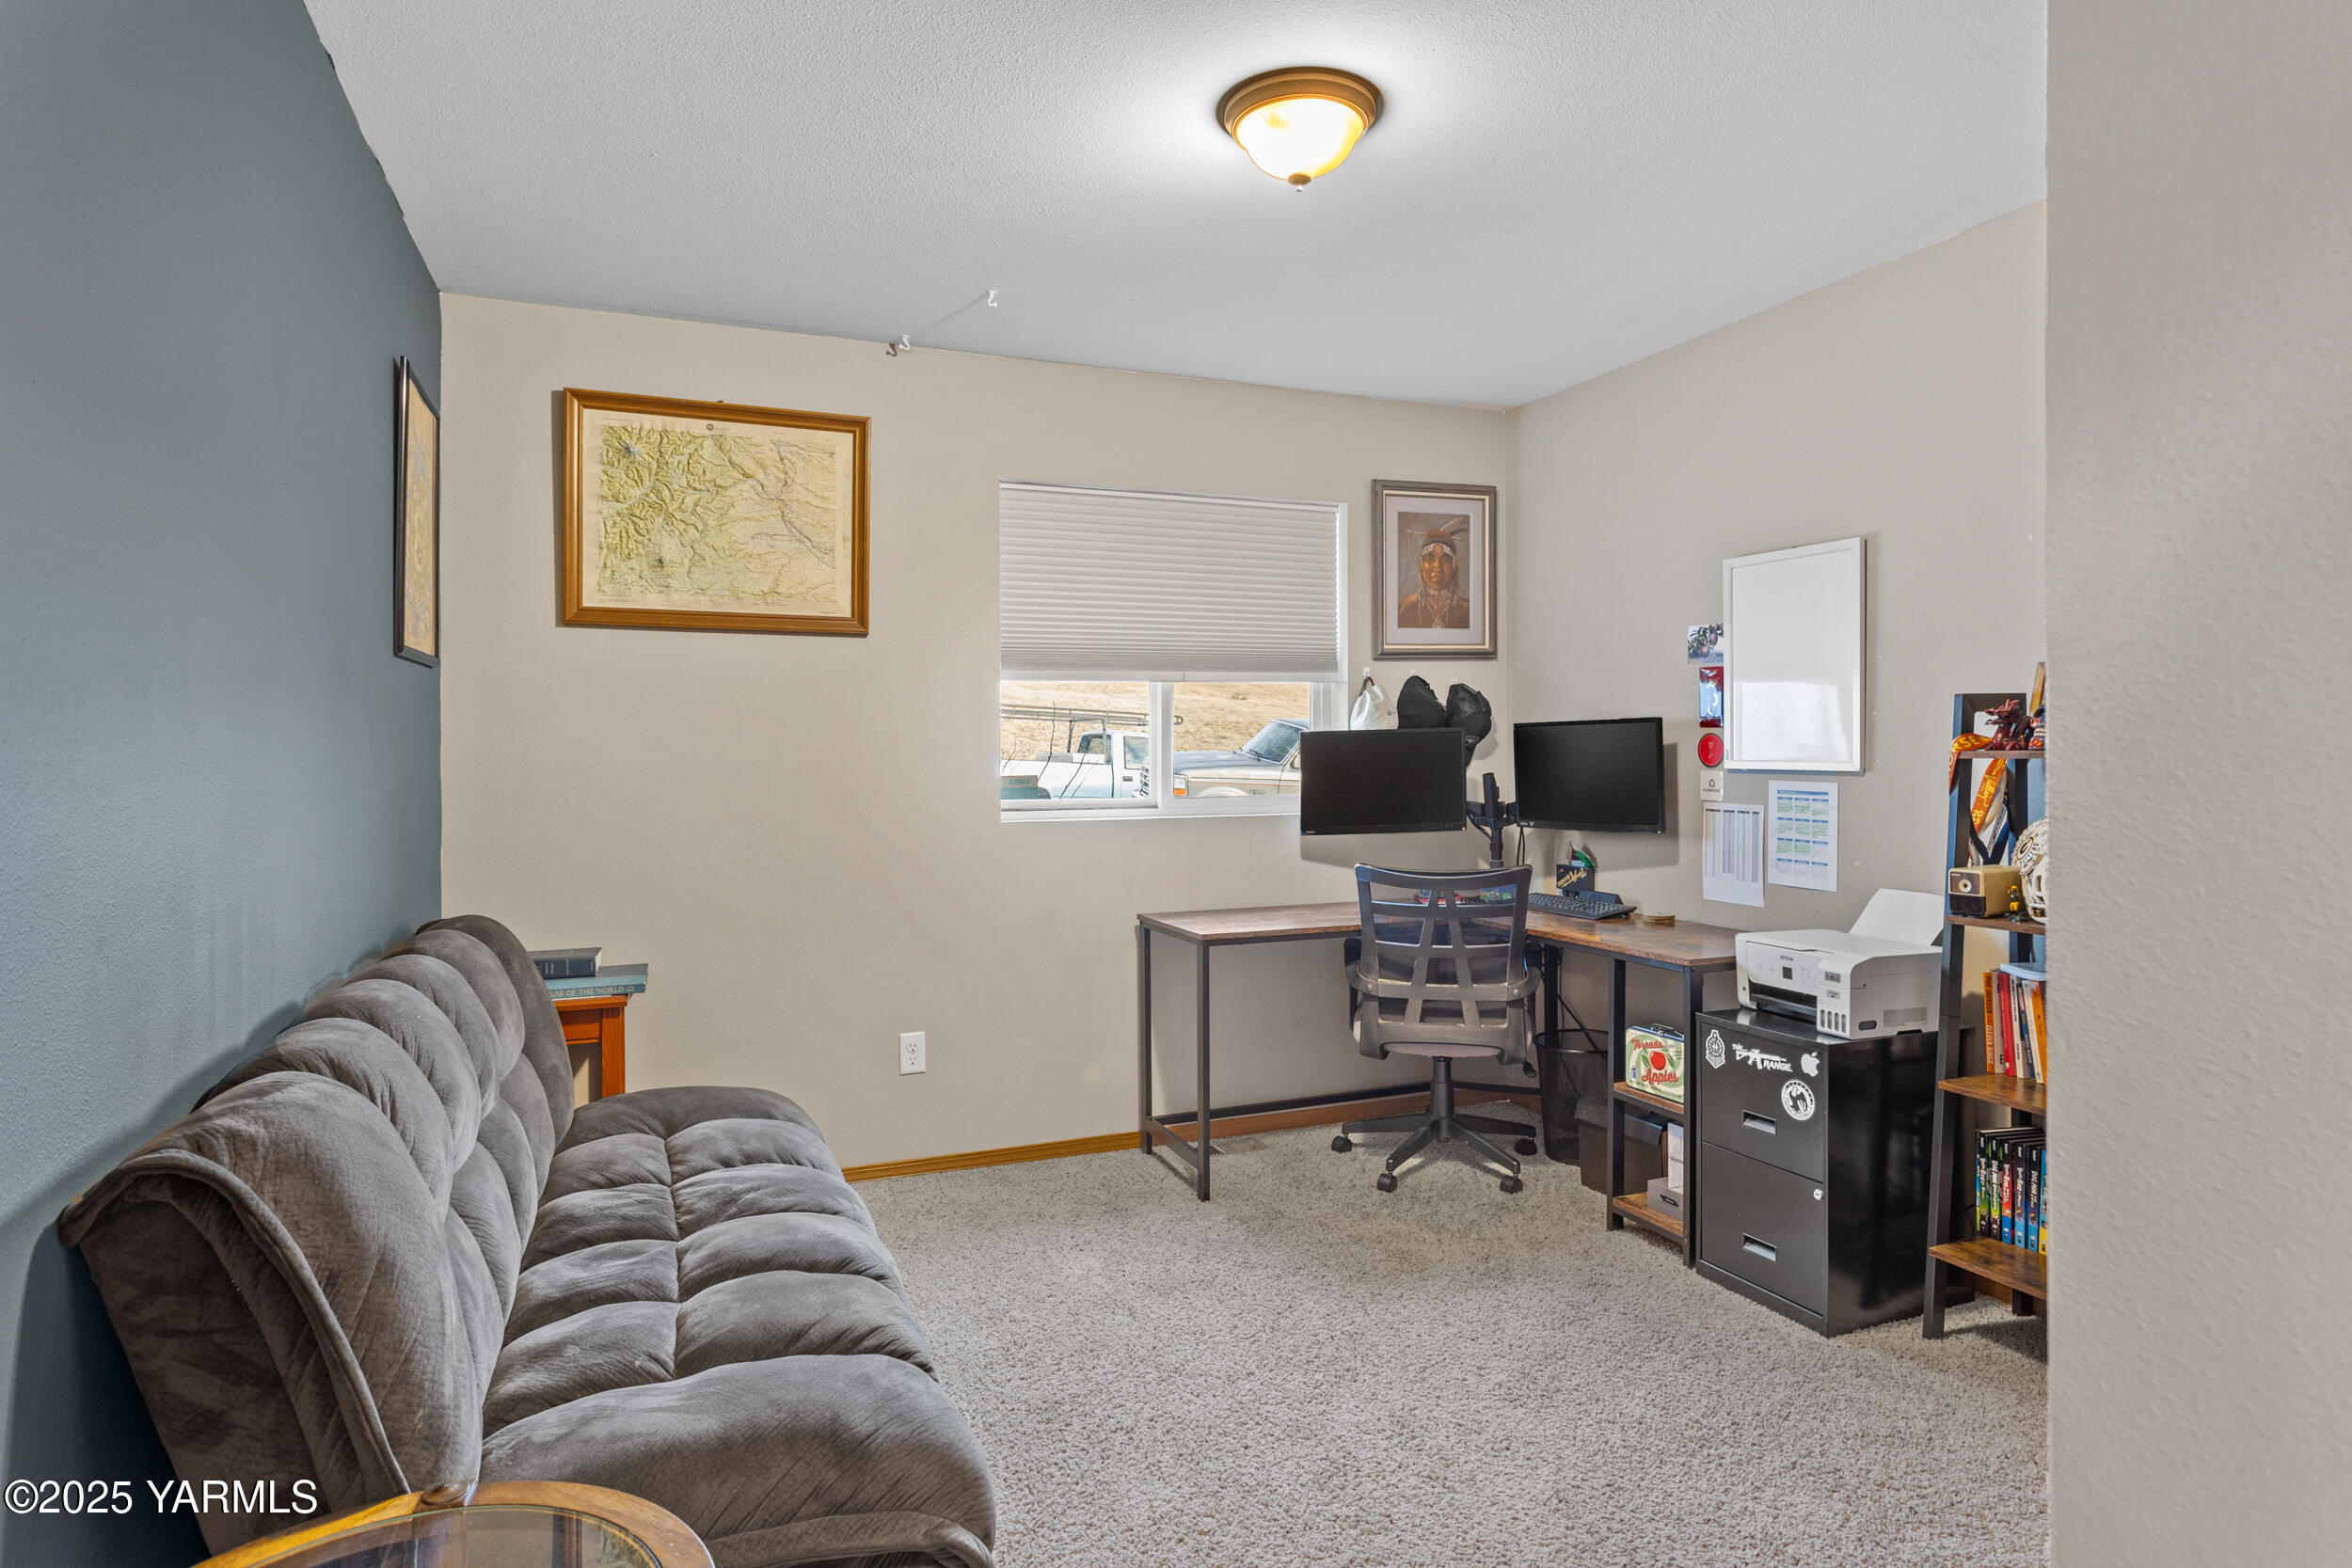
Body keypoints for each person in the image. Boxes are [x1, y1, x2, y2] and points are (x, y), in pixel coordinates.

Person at [1395, 515, 1470, 628]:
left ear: (1454, 567)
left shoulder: (1467, 609)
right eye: (1430, 559)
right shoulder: (1405, 608)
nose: (1437, 566)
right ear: (1420, 566)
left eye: (1445, 560)